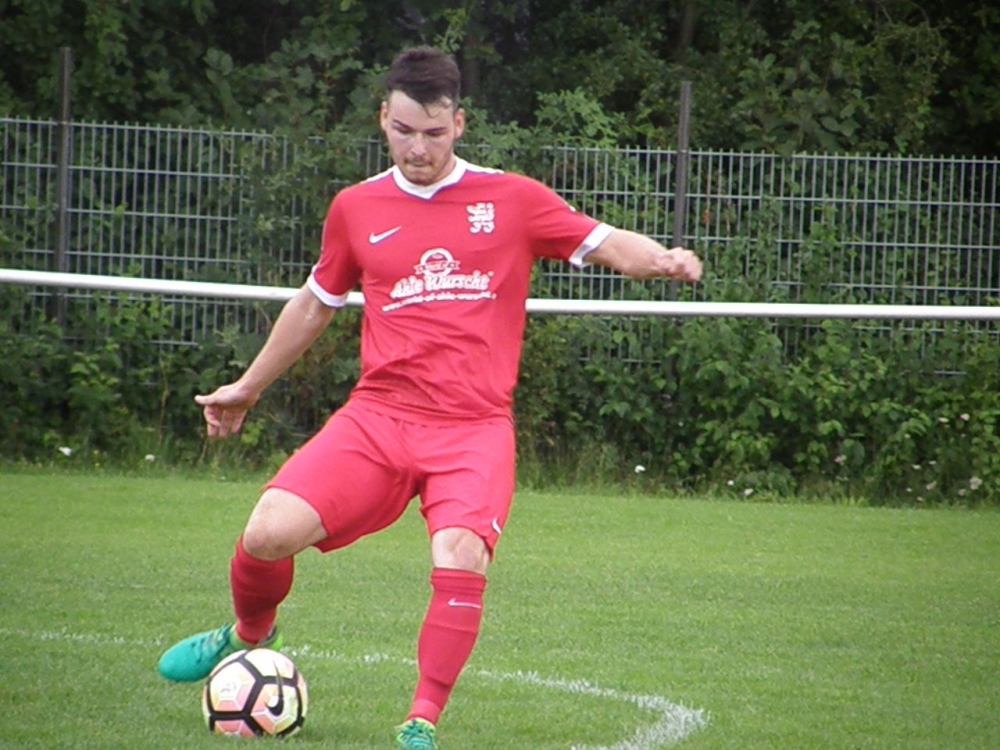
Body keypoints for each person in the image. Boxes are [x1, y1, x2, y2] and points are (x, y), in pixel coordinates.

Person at [157, 45, 702, 749]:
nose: (418, 148)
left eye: (435, 133)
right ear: (383, 117)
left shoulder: (511, 200)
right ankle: (248, 634)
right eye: (404, 130)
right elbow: (316, 303)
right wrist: (247, 387)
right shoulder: (356, 207)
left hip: (472, 428)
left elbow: (603, 242)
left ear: (460, 124)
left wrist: (660, 259)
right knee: (266, 532)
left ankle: (421, 719)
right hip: (379, 418)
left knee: (460, 553)